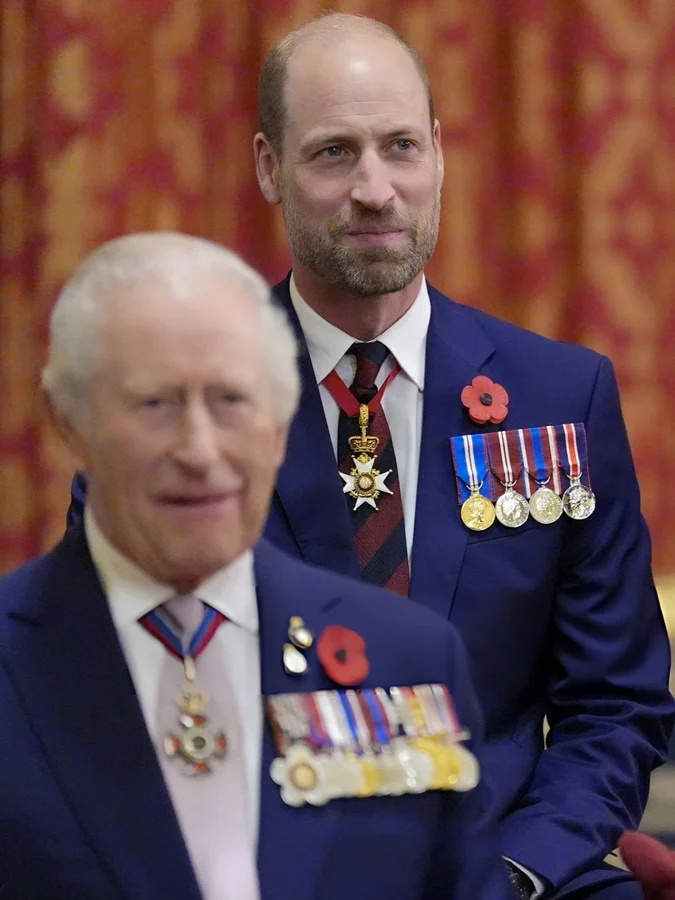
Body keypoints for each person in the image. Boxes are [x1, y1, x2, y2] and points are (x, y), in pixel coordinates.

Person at [65, 12, 675, 899]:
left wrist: (517, 871)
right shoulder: (177, 418)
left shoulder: (560, 397)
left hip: (510, 867)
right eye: (333, 153)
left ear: (437, 153)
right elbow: (117, 702)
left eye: (399, 146)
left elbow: (614, 706)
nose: (376, 189)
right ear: (269, 168)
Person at [0, 233, 515, 900]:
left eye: (230, 401)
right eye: (154, 403)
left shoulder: (408, 658)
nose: (198, 449)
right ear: (68, 422)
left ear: (278, 425)